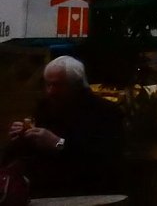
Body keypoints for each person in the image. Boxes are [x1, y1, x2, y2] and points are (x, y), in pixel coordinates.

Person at [5, 55, 124, 197]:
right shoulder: (46, 108)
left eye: (57, 85)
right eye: (48, 84)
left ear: (76, 85)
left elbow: (102, 158)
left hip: (85, 192)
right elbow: (28, 154)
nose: (50, 91)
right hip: (43, 190)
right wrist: (23, 137)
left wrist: (59, 144)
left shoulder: (105, 112)